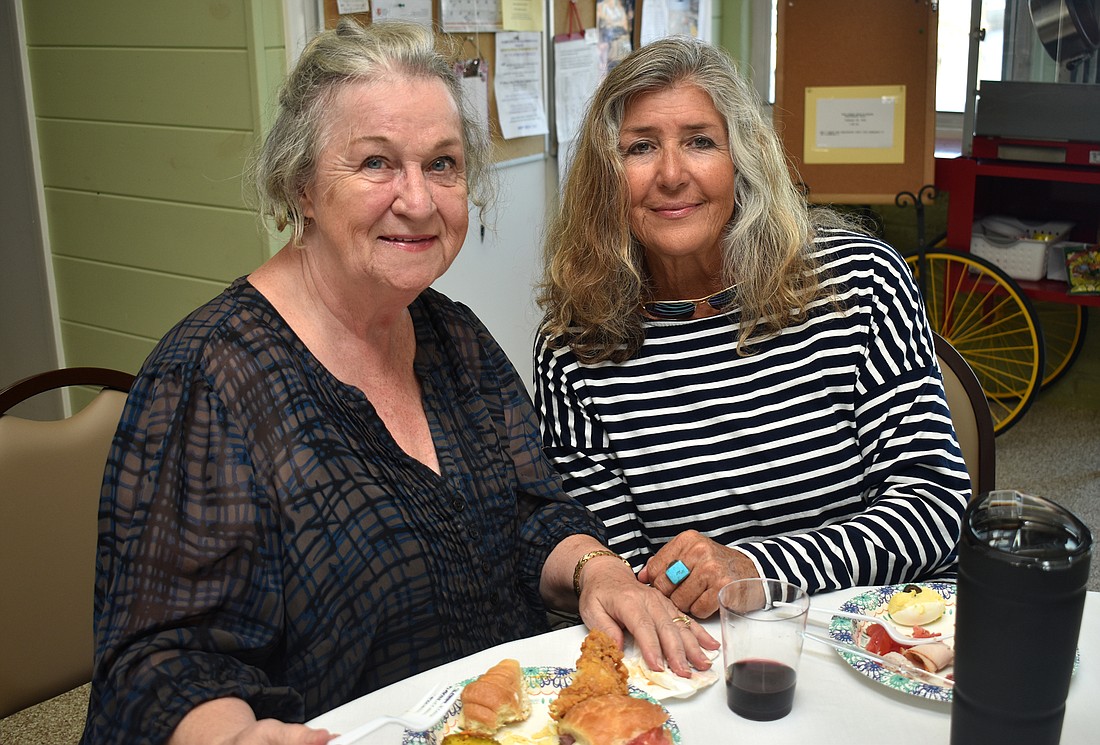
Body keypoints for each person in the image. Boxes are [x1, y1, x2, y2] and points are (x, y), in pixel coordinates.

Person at [82, 21, 715, 745]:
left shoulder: (457, 338)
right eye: (377, 163)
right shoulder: (209, 379)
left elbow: (531, 516)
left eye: (442, 164)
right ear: (302, 187)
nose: (417, 200)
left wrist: (596, 570)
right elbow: (156, 663)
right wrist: (229, 736)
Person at [534, 36, 970, 620]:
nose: (670, 174)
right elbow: (618, 573)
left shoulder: (858, 284)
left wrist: (756, 569)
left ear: (743, 159)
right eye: (639, 148)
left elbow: (937, 507)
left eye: (700, 142)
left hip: (874, 632)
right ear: (604, 179)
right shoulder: (575, 347)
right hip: (699, 654)